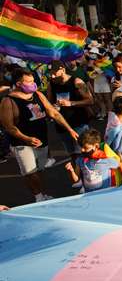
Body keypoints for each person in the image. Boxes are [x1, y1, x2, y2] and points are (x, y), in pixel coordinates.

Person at [0, 68, 80, 202]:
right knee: (30, 172)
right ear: (18, 83)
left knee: (39, 170)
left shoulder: (38, 94)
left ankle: (40, 193)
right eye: (29, 82)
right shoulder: (8, 101)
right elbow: (9, 127)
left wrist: (69, 129)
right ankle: (38, 196)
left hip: (42, 141)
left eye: (33, 81)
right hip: (22, 144)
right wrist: (26, 138)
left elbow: (54, 113)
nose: (33, 84)